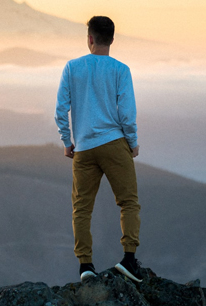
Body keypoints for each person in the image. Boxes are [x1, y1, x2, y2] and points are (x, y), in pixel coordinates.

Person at [55, 16, 143, 283]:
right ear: (112, 39)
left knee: (81, 208)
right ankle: (129, 259)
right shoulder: (120, 70)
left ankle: (85, 266)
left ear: (90, 38)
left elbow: (61, 109)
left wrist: (67, 141)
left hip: (83, 148)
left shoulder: (72, 68)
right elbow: (126, 114)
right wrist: (133, 141)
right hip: (114, 143)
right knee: (128, 202)